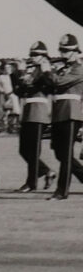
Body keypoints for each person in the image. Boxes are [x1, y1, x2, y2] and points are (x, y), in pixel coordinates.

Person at [12, 42, 55, 192]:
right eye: (32, 55)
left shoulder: (46, 70)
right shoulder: (32, 70)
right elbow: (20, 90)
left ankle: (31, 183)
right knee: (24, 149)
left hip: (39, 111)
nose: (34, 58)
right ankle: (46, 171)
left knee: (34, 149)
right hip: (28, 110)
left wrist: (42, 72)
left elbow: (42, 86)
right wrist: (18, 72)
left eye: (37, 55)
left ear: (44, 56)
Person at [47, 33, 83, 200]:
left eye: (66, 51)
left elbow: (59, 83)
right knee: (60, 153)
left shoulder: (79, 68)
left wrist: (47, 71)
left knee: (66, 152)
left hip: (71, 112)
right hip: (59, 112)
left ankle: (62, 191)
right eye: (61, 50)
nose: (62, 54)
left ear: (76, 52)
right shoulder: (62, 68)